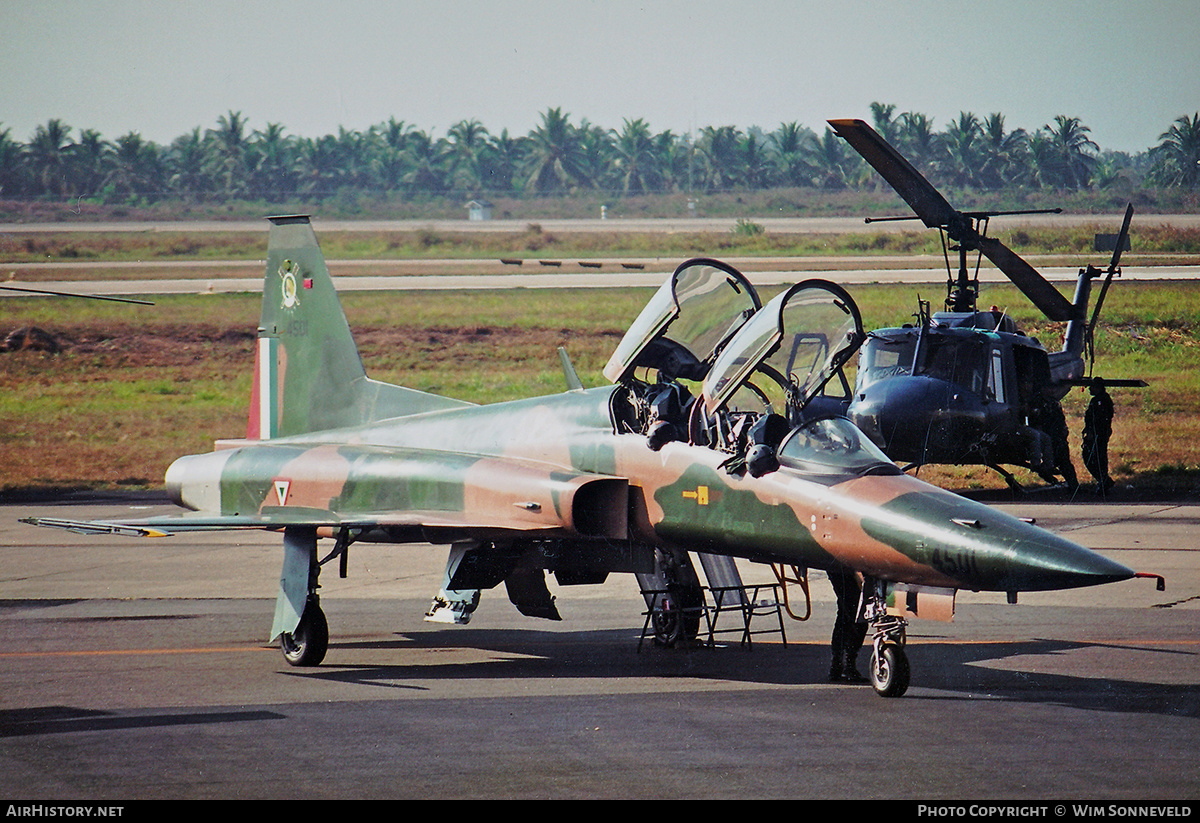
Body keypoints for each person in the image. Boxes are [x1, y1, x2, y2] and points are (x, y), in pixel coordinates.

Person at [828, 565, 868, 683]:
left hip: (838, 566)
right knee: (856, 615)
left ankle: (839, 664)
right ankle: (847, 665)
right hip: (843, 567)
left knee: (845, 615)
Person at [1082, 377, 1115, 494]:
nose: (1090, 389)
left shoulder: (1102, 401)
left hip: (1098, 434)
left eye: (1092, 387)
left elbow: (1099, 419)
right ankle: (1104, 480)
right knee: (1092, 457)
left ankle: (1104, 481)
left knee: (1095, 458)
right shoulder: (1097, 400)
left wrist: (1092, 432)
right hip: (1096, 433)